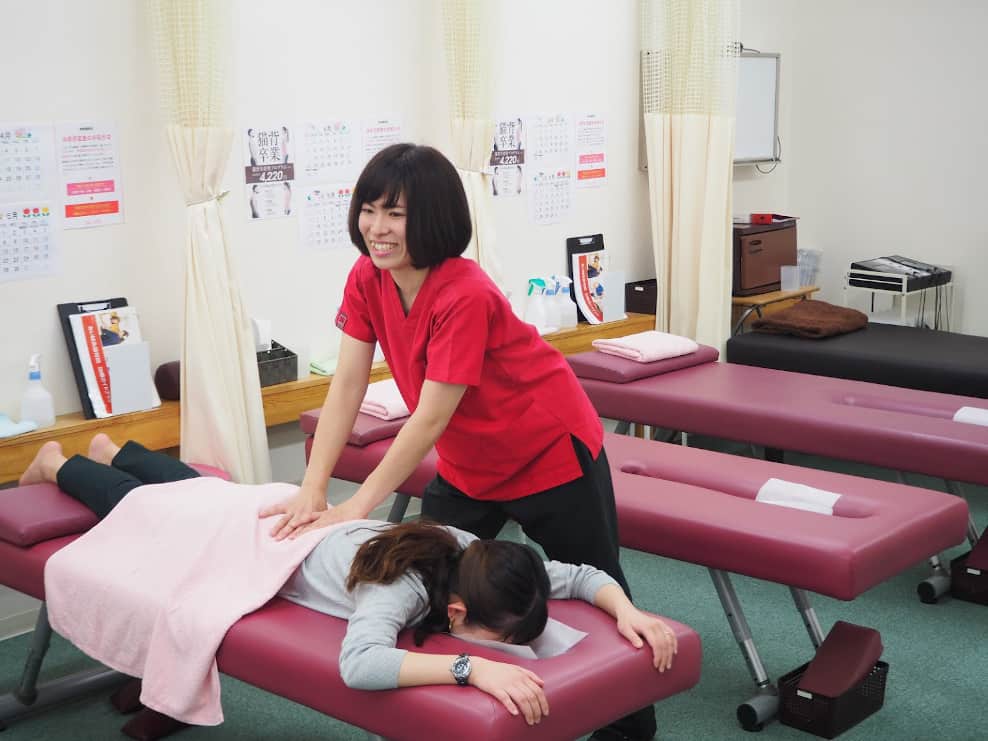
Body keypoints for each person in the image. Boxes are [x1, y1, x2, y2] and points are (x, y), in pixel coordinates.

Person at [261, 142, 662, 740]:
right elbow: (345, 383)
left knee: (595, 583)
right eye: (369, 210)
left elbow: (427, 418)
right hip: (470, 460)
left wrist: (356, 506)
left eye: (395, 213)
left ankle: (630, 727)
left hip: (548, 448)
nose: (377, 228)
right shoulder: (368, 277)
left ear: (432, 218)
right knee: (427, 579)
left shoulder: (463, 292)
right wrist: (313, 488)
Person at [19, 437, 678, 728]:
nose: (503, 645)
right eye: (496, 635)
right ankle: (58, 462)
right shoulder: (399, 589)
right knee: (148, 514)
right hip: (255, 544)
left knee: (202, 494)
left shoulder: (478, 551)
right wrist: (471, 669)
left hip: (287, 516)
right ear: (453, 609)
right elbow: (359, 662)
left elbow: (581, 574)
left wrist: (628, 610)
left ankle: (114, 450)